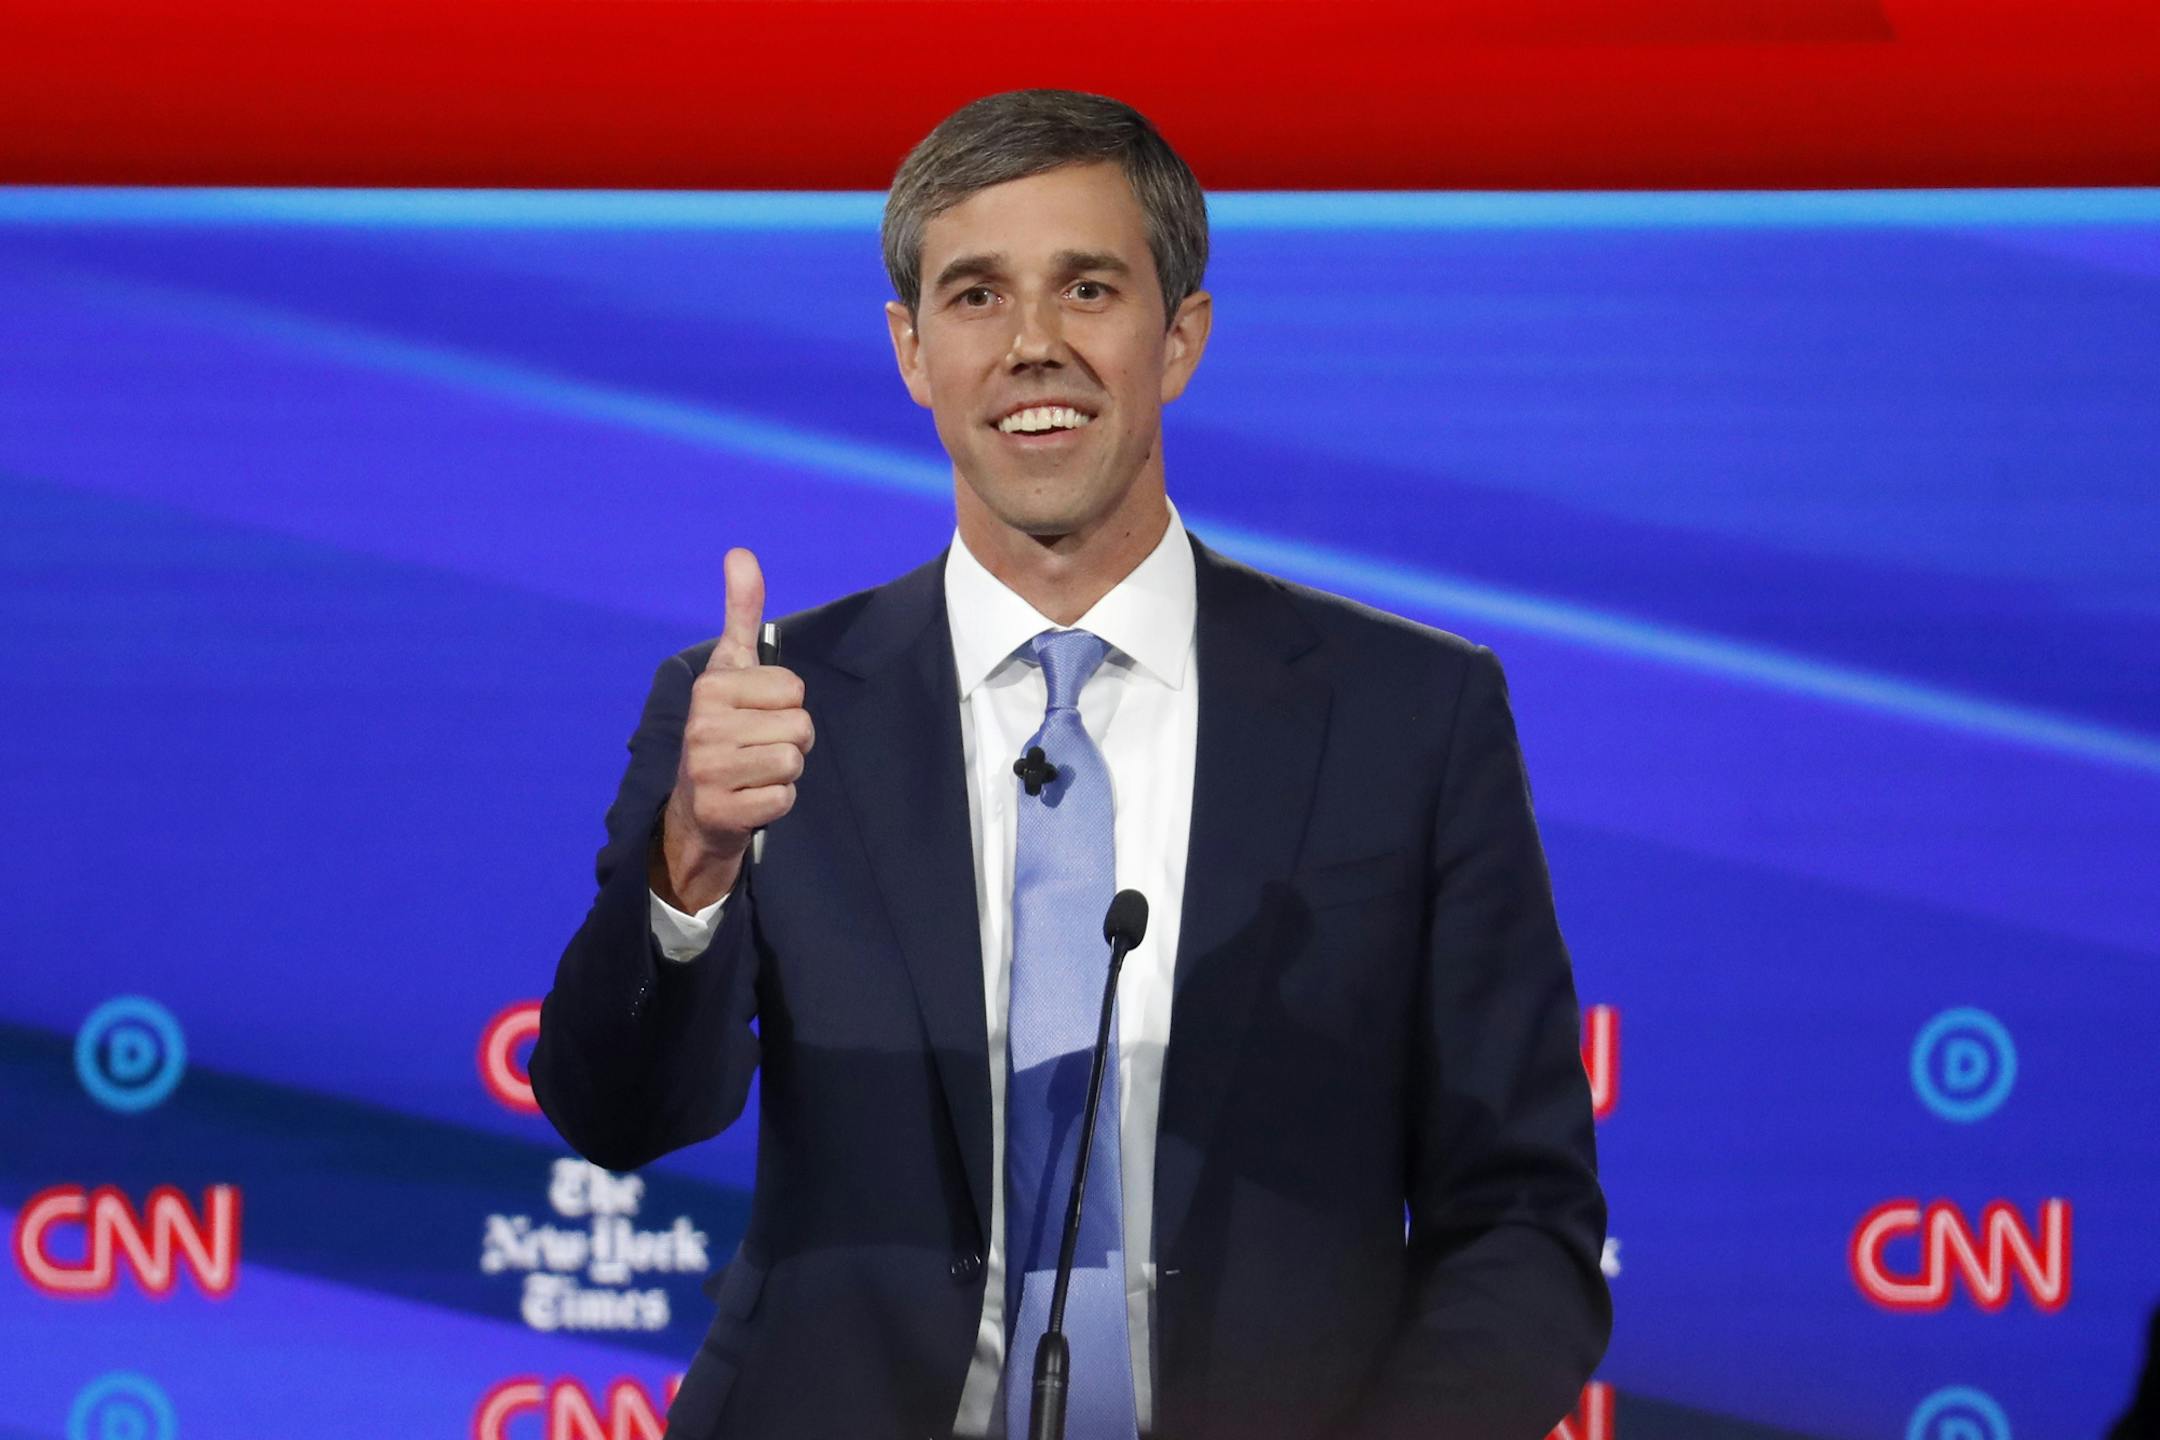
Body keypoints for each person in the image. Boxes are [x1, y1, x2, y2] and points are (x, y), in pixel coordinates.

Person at [530, 88, 1609, 1440]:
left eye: (1087, 289)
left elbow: (1522, 1216)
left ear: (1181, 337)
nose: (1032, 346)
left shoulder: (1412, 715)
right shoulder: (753, 708)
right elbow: (616, 1114)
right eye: (975, 298)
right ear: (911, 350)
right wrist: (695, 862)